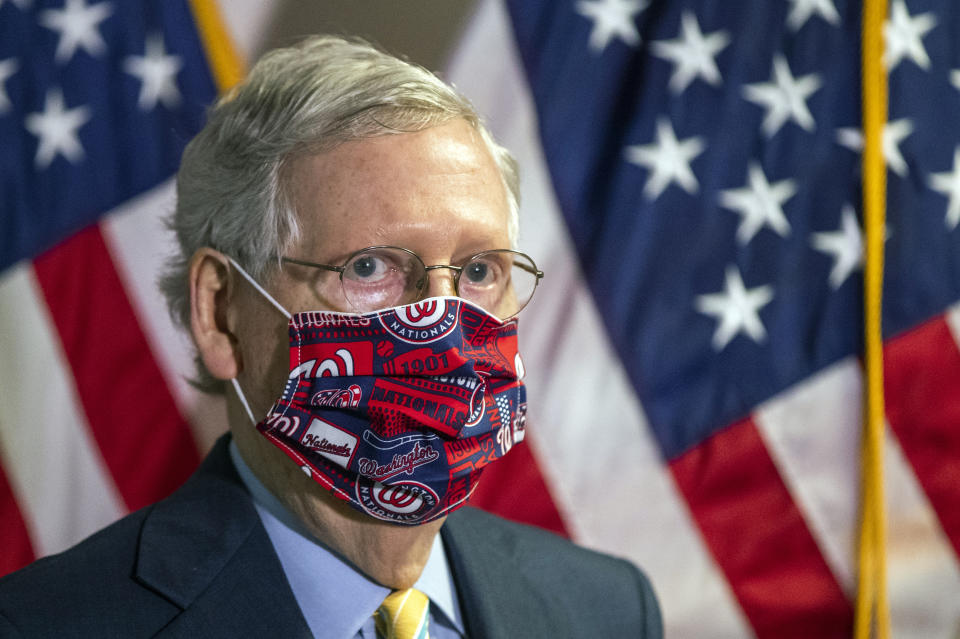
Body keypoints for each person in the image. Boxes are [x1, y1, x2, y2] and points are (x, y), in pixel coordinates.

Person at [0, 36, 661, 638]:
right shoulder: (46, 625)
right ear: (222, 311)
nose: (444, 325)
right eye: (369, 266)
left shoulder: (607, 608)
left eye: (480, 270)